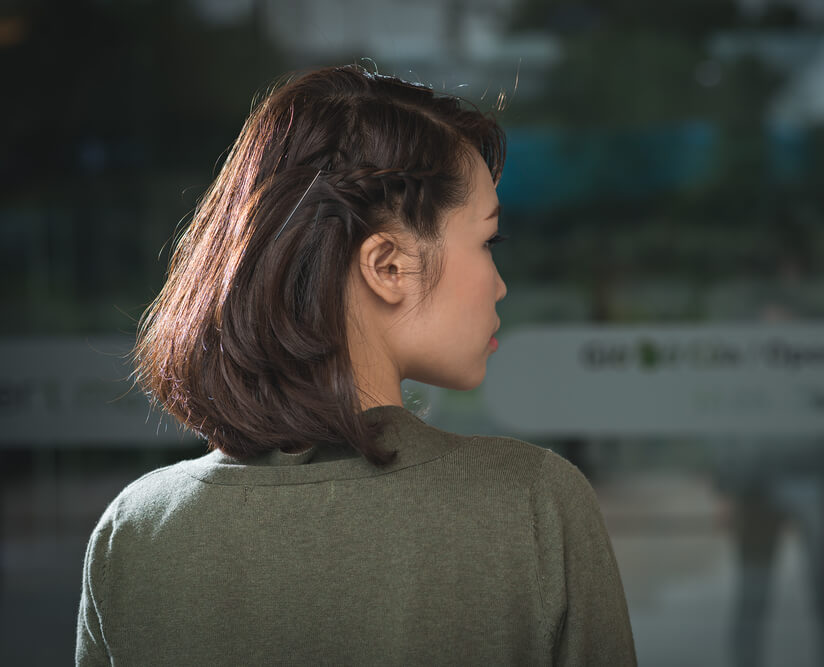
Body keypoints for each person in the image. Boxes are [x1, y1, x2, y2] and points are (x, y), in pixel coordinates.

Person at [75, 65, 636, 666]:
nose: (500, 286)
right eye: (487, 243)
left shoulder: (135, 533)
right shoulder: (536, 506)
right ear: (387, 266)